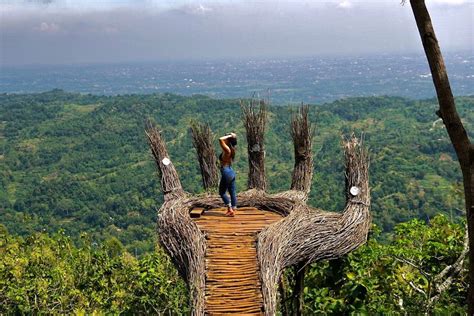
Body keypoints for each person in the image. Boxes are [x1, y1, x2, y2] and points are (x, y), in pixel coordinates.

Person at [219, 132, 237, 216]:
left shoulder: (227, 150)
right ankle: (233, 208)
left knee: (222, 192)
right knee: (232, 191)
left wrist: (230, 136)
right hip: (231, 171)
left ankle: (230, 209)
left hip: (226, 172)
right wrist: (232, 137)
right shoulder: (232, 148)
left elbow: (220, 139)